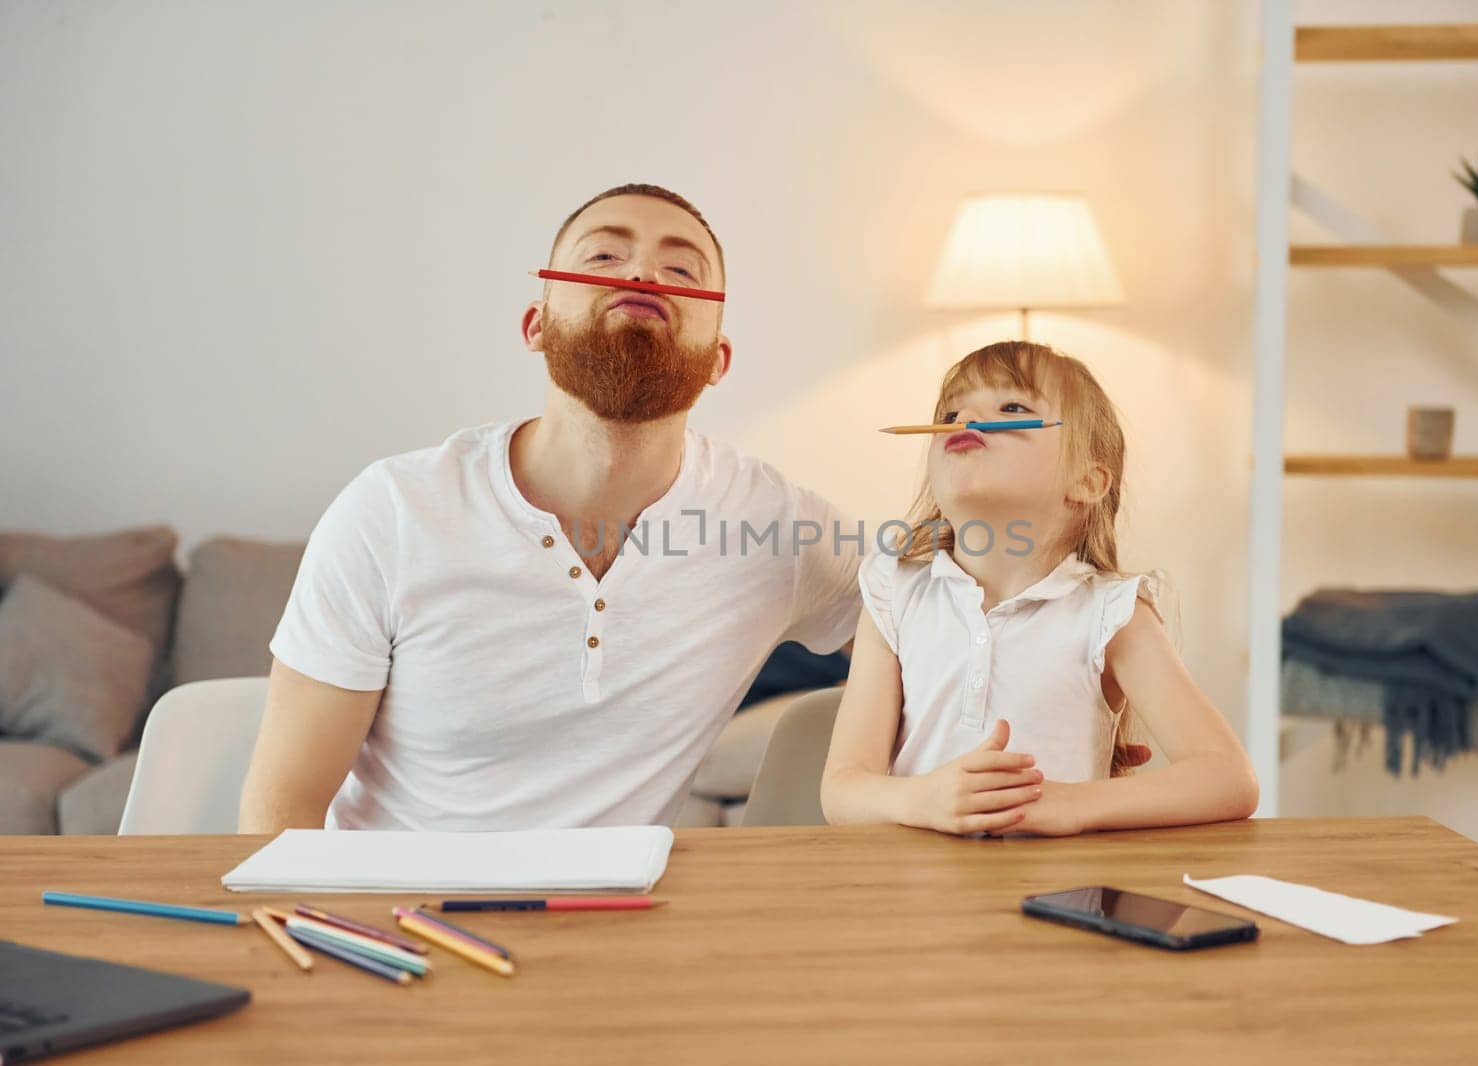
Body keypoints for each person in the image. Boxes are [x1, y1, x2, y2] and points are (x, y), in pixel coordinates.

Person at [239, 184, 861, 832]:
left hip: (621, 922)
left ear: (718, 361)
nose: (644, 274)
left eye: (681, 270)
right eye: (603, 257)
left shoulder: (774, 526)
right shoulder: (391, 511)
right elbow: (282, 810)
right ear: (536, 326)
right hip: (399, 922)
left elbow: (933, 624)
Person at [820, 341, 1257, 836]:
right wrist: (922, 800)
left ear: (1087, 482)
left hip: (1056, 902)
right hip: (913, 906)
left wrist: (1070, 804)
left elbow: (1227, 777)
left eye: (1012, 408)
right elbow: (841, 792)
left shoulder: (1111, 614)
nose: (966, 418)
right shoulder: (893, 592)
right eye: (952, 410)